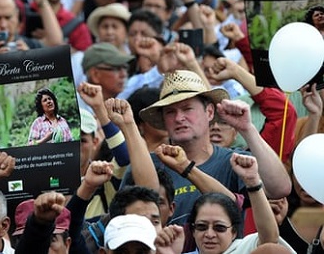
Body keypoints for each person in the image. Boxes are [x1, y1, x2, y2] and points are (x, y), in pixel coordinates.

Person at [123, 69, 291, 225]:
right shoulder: (146, 166)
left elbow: (280, 188)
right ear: (164, 121)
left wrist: (247, 128)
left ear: (210, 112)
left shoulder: (232, 161)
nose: (179, 118)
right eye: (170, 112)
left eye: (187, 109)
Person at [182, 154, 295, 254]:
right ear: (193, 231)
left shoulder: (242, 248)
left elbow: (269, 238)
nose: (209, 234)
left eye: (219, 227)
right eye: (201, 227)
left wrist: (252, 181)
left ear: (234, 232)